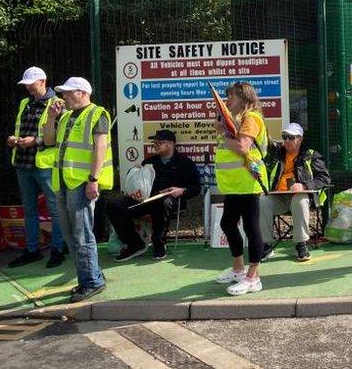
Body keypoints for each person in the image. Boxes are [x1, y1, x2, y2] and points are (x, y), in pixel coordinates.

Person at [43, 77, 113, 303]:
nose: (63, 97)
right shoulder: (64, 117)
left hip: (80, 183)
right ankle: (89, 276)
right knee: (70, 234)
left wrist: (94, 179)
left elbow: (100, 148)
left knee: (82, 234)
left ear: (82, 93)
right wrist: (52, 118)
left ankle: (92, 282)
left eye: (68, 93)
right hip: (63, 182)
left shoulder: (97, 114)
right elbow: (49, 141)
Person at [106, 129, 200, 261]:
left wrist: (181, 190)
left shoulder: (185, 163)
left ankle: (159, 243)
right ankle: (135, 244)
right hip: (146, 199)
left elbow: (196, 188)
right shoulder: (150, 161)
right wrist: (135, 172)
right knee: (113, 205)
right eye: (154, 143)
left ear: (171, 144)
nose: (155, 145)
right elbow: (137, 184)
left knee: (163, 202)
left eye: (159, 142)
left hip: (169, 201)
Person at [213, 82, 270, 295]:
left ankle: (253, 277)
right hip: (235, 184)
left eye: (232, 98)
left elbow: (242, 147)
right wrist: (224, 130)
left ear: (244, 99)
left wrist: (223, 134)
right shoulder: (235, 120)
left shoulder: (251, 118)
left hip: (248, 181)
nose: (228, 102)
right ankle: (238, 269)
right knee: (227, 223)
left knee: (251, 228)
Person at [6, 66, 66, 269]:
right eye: (26, 85)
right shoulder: (25, 103)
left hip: (44, 165)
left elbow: (60, 135)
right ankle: (32, 250)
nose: (28, 88)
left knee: (54, 209)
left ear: (43, 81)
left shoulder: (57, 104)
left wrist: (36, 141)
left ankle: (58, 249)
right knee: (29, 209)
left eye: (31, 84)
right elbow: (21, 127)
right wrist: (14, 140)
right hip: (23, 163)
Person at [259, 122, 332, 262]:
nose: (286, 141)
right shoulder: (276, 155)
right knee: (262, 201)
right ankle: (266, 245)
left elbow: (325, 178)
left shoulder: (310, 155)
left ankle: (301, 244)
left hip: (301, 197)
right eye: (284, 137)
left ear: (300, 139)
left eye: (290, 137)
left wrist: (304, 186)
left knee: (300, 199)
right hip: (278, 197)